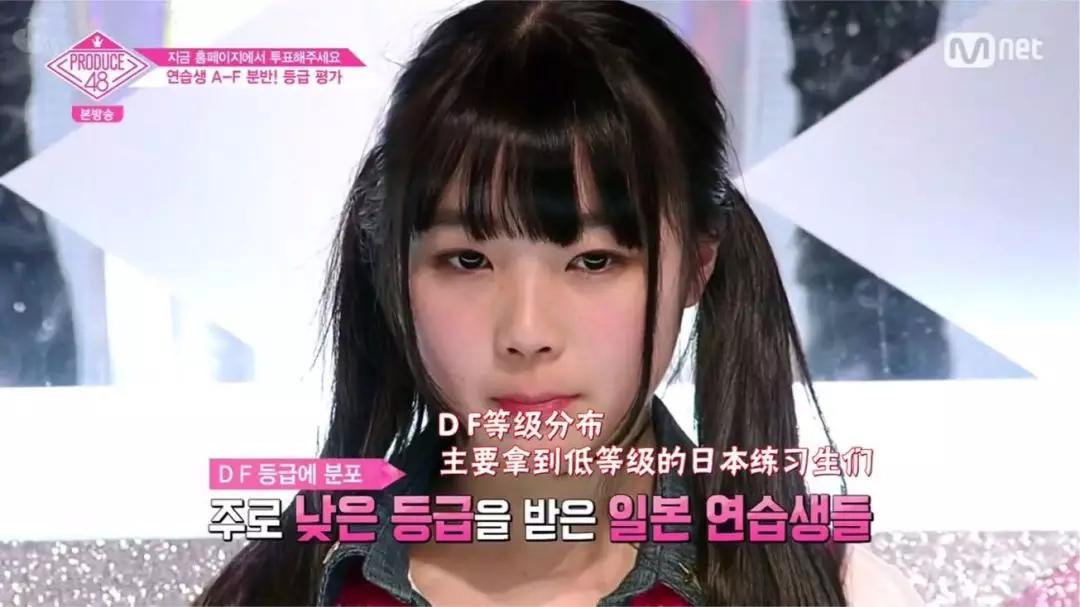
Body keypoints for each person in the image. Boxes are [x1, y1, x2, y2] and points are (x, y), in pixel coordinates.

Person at [196, 1, 923, 605]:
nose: (526, 331)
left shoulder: (837, 593)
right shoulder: (280, 589)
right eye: (467, 260)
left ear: (699, 266)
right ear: (393, 266)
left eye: (594, 260)